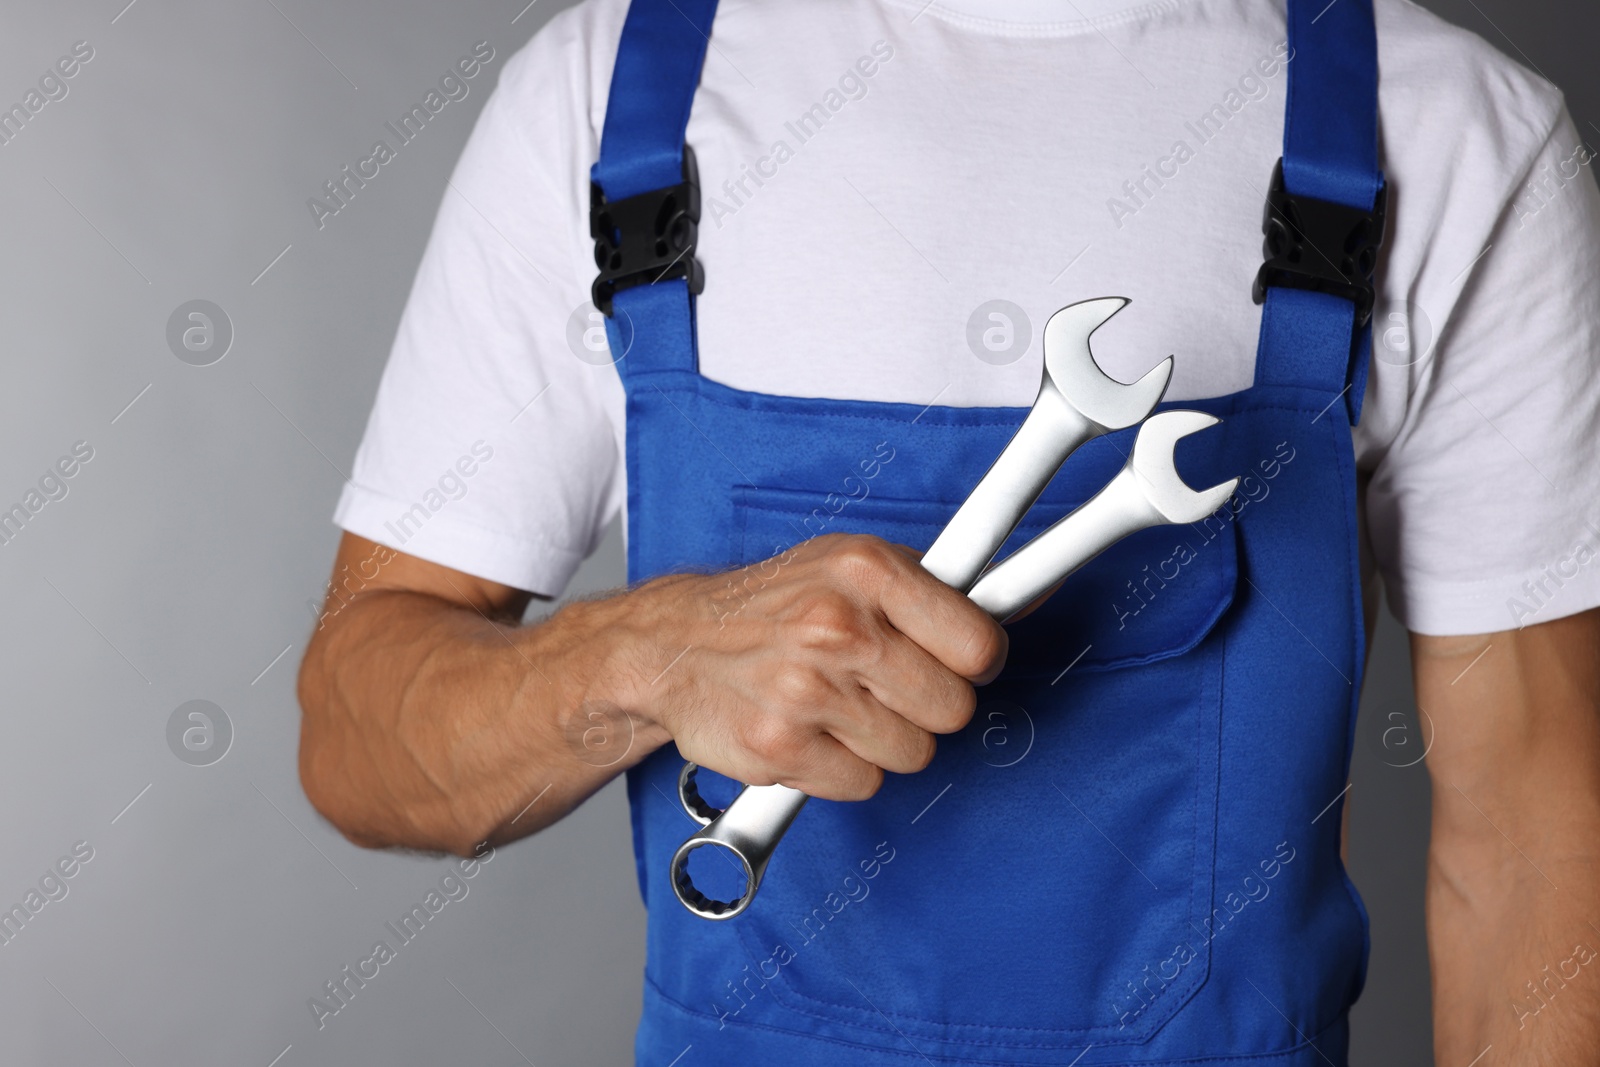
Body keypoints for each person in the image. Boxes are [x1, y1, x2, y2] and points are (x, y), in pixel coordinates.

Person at [295, 0, 1600, 1062]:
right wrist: (649, 658)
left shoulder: (1447, 133)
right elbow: (357, 748)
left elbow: (1532, 855)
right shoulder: (605, 105)